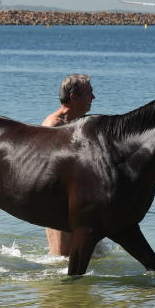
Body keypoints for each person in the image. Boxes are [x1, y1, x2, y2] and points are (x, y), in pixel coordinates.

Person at [41, 74, 95, 256]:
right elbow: (44, 168)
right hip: (57, 202)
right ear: (74, 97)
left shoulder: (82, 123)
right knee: (61, 258)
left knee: (95, 255)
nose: (94, 98)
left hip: (79, 201)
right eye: (90, 94)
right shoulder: (52, 125)